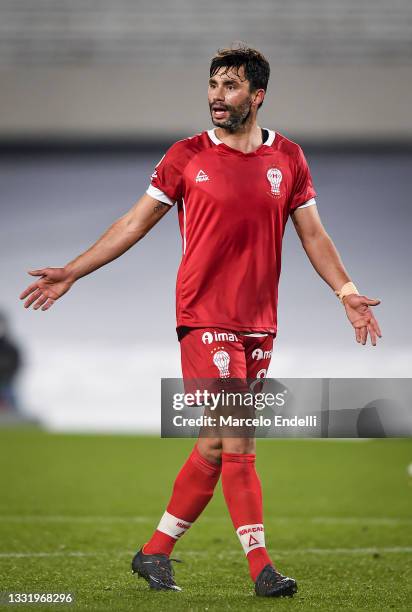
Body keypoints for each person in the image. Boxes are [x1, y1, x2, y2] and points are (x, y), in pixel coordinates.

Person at [19, 45, 382, 598]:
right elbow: (134, 222)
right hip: (204, 317)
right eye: (213, 84)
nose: (217, 95)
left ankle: (154, 553)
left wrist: (346, 291)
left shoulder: (288, 158)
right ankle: (262, 569)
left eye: (231, 86)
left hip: (259, 322)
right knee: (239, 440)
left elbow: (313, 234)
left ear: (256, 96)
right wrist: (73, 271)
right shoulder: (186, 156)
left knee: (214, 445)